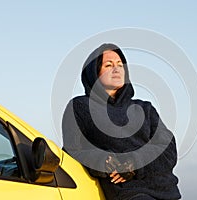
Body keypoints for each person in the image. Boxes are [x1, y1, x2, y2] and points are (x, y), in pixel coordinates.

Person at [62, 43, 181, 200]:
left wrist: (133, 163)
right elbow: (73, 150)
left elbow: (168, 149)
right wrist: (105, 162)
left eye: (120, 64)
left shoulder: (144, 108)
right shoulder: (80, 107)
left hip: (166, 190)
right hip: (129, 193)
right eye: (108, 65)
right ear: (94, 72)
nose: (116, 69)